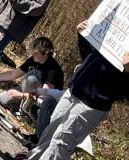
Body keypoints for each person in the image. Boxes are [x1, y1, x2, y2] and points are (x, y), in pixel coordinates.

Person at [22, 21, 129, 160]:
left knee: (62, 142)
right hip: (73, 92)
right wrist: (82, 37)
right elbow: (89, 58)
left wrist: (127, 71)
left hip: (90, 106)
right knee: (51, 132)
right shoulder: (120, 31)